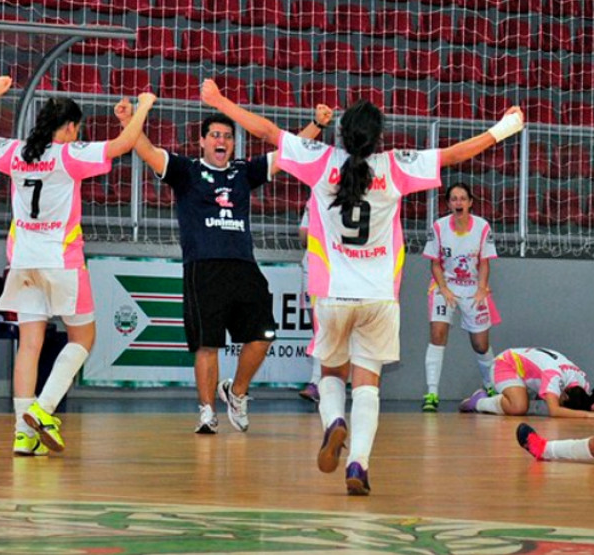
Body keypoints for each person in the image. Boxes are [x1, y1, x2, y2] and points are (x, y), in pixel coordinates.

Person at [200, 78, 524, 494]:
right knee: (368, 382)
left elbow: (266, 131)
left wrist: (219, 99)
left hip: (332, 293)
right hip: (378, 298)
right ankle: (359, 465)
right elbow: (455, 154)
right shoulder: (395, 166)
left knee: (331, 373)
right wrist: (503, 129)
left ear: (342, 133)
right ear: (378, 139)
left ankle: (335, 422)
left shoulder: (321, 160)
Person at [116, 94, 333, 434]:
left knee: (263, 335)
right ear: (202, 141)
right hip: (203, 267)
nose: (222, 141)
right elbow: (145, 151)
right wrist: (128, 121)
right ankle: (206, 411)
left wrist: (317, 125)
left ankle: (238, 392)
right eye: (215, 135)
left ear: (233, 144)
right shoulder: (186, 171)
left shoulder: (244, 172)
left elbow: (291, 152)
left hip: (244, 266)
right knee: (207, 344)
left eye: (228, 136)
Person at [0, 76, 156, 455]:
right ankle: (42, 409)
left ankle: (23, 436)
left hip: (23, 261)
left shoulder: (17, 153)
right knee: (83, 339)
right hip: (61, 261)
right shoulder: (68, 156)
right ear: (71, 127)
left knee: (29, 346)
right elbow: (122, 145)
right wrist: (144, 108)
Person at [421, 183, 500, 412]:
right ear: (448, 204)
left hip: (473, 288)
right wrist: (443, 288)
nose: (458, 203)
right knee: (438, 333)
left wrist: (482, 289)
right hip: (444, 285)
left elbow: (484, 263)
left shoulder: (482, 227)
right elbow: (434, 262)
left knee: (481, 344)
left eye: (463, 198)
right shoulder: (439, 227)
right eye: (454, 199)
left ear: (470, 202)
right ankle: (432, 393)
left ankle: (490, 385)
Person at [459, 347, 594, 419]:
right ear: (564, 394)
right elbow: (555, 410)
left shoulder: (582, 382)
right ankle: (479, 401)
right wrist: (589, 416)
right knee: (519, 407)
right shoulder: (554, 377)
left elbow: (591, 406)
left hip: (526, 371)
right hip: (506, 364)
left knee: (530, 405)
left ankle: (513, 395)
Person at [297, 201, 322, 403]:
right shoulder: (314, 198)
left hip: (327, 267)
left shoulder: (315, 197)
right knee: (319, 328)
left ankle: (318, 382)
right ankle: (318, 383)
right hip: (314, 267)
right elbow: (303, 236)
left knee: (323, 328)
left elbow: (305, 236)